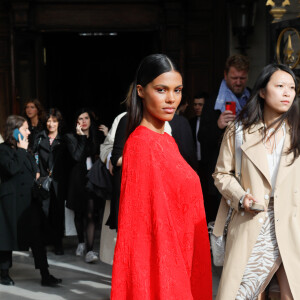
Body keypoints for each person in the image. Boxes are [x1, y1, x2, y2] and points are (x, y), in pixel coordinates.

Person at [111, 54, 212, 299]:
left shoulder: (165, 141)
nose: (171, 99)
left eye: (177, 90)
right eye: (161, 89)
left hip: (185, 259)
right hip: (168, 273)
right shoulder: (141, 145)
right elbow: (143, 235)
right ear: (141, 91)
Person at [213, 64, 300, 299]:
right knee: (245, 294)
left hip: (292, 224)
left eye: (291, 87)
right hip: (253, 220)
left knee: (291, 293)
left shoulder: (297, 131)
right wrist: (241, 197)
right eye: (280, 86)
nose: (287, 93)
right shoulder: (239, 131)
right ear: (262, 91)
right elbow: (221, 173)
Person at [0, 115, 62, 287]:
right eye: (25, 129)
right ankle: (4, 272)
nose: (28, 132)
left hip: (29, 201)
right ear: (15, 131)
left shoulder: (26, 148)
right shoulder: (3, 149)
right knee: (8, 238)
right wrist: (21, 150)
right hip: (11, 202)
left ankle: (45, 274)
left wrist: (26, 151)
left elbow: (34, 170)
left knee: (37, 239)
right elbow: (11, 169)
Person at [198, 54, 250, 223]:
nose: (238, 82)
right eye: (234, 77)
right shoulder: (213, 102)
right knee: (218, 225)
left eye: (242, 78)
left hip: (247, 172)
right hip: (220, 175)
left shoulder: (252, 98)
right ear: (225, 75)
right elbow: (201, 137)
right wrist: (218, 125)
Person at [65, 108, 105, 263]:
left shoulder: (97, 136)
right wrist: (81, 138)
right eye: (80, 118)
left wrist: (107, 135)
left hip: (92, 179)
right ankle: (81, 241)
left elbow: (103, 153)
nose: (83, 121)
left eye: (86, 118)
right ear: (76, 122)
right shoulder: (71, 137)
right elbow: (76, 156)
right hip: (77, 179)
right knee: (79, 213)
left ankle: (89, 250)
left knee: (90, 213)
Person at [33, 108, 67, 255]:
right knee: (43, 211)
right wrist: (37, 171)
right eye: (48, 121)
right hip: (43, 179)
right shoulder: (40, 138)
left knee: (58, 212)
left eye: (54, 121)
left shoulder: (64, 139)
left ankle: (58, 242)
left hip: (58, 181)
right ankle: (43, 241)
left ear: (59, 123)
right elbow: (33, 154)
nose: (51, 124)